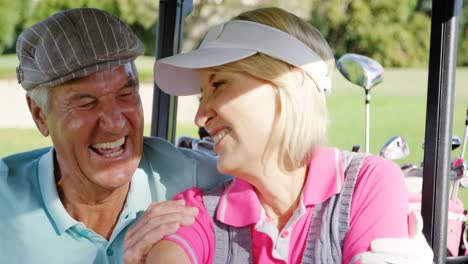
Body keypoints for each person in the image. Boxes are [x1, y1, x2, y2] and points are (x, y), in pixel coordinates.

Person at [138, 7, 433, 264]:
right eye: (203, 93)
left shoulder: (368, 184)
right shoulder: (195, 211)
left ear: (290, 82)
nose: (200, 117)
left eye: (219, 85)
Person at [0, 8, 230, 263]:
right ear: (40, 116)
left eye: (125, 95)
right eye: (86, 102)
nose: (115, 122)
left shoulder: (206, 183)